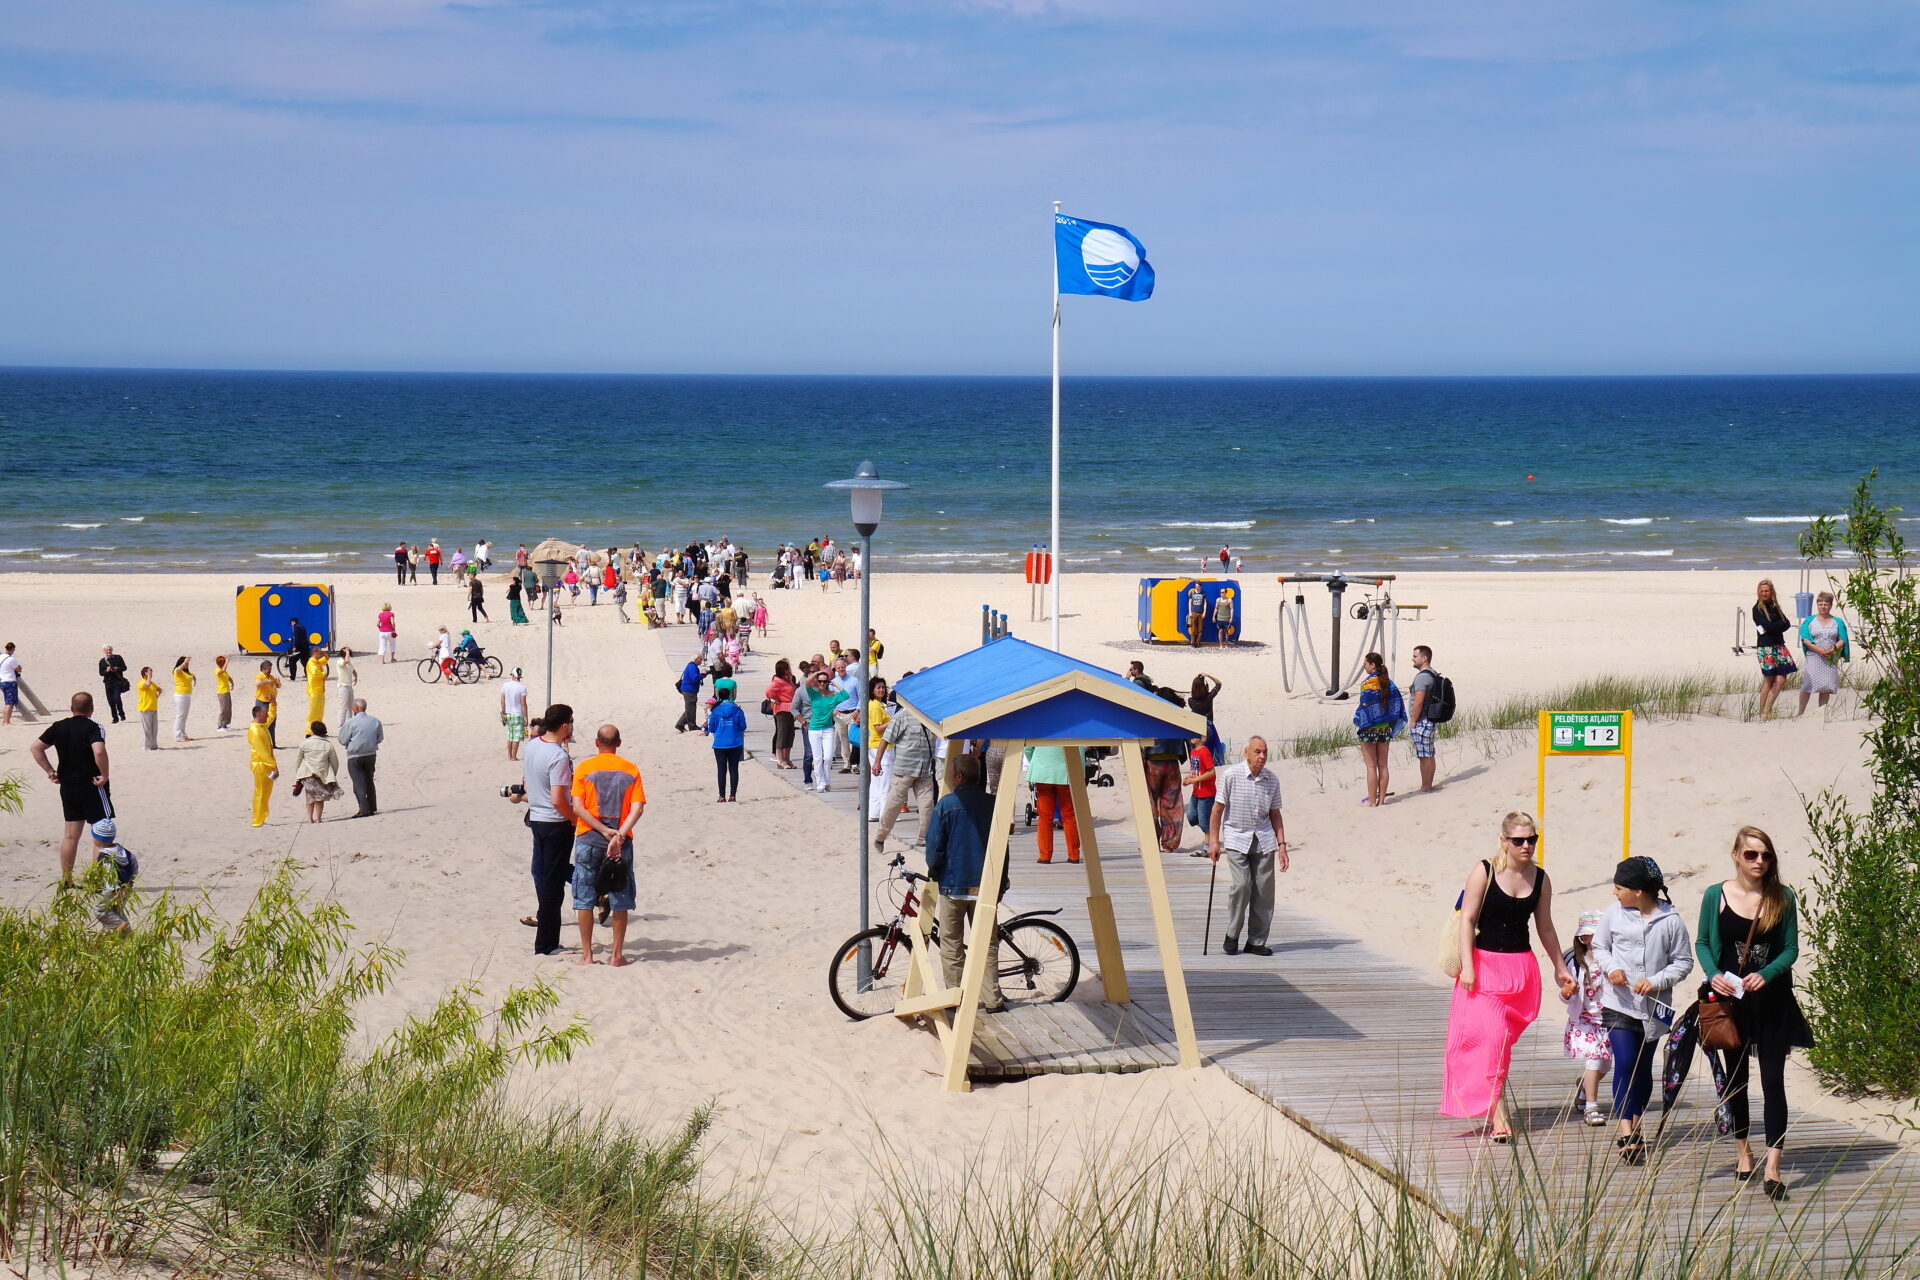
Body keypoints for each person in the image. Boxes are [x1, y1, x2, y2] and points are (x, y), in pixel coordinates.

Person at [1440, 811, 1576, 1142]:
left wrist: (1560, 967)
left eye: (1532, 839)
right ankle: (1499, 1116)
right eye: (1519, 840)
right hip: (1483, 969)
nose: (1526, 845)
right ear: (1504, 841)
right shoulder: (1484, 871)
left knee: (1500, 1045)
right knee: (1493, 1041)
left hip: (1520, 972)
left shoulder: (1541, 879)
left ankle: (1493, 1103)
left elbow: (1544, 926)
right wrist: (1469, 965)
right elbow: (1468, 919)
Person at [1696, 826, 1812, 1201]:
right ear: (1736, 855)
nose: (1759, 861)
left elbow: (1790, 949)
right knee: (1736, 1080)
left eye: (1765, 855)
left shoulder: (1782, 897)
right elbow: (1702, 943)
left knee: (1774, 1080)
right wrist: (1713, 974)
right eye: (1751, 854)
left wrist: (1767, 973)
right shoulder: (1716, 895)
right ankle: (1743, 1151)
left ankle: (1773, 1166)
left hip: (1772, 1001)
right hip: (1730, 1002)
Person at [1591, 856, 1693, 1163]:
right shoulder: (1614, 913)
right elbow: (1599, 947)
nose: (1614, 892)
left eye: (1619, 887)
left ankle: (1636, 1121)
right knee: (1624, 1061)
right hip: (1618, 1002)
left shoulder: (1671, 921)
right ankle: (1626, 1130)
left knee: (1643, 1066)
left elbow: (1683, 962)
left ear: (1638, 891)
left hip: (1653, 1008)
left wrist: (1657, 980)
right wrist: (1611, 969)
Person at [922, 754, 1006, 1012]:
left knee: (951, 945)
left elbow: (934, 847)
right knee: (988, 945)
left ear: (958, 777)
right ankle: (992, 999)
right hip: (984, 885)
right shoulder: (993, 804)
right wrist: (1001, 882)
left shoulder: (946, 805)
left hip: (954, 884)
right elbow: (1003, 847)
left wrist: (935, 871)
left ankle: (956, 998)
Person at [568, 724, 647, 965]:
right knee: (619, 894)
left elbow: (578, 807)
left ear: (596, 743)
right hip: (620, 842)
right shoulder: (630, 769)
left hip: (589, 838)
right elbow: (638, 807)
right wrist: (619, 834)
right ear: (619, 743)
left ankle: (587, 954)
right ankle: (617, 954)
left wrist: (602, 829)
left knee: (584, 896)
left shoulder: (584, 768)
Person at [1206, 737, 1287, 955]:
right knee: (1242, 885)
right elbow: (1217, 810)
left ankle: (1256, 942)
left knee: (1264, 892)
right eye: (1257, 752)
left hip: (1264, 839)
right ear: (1246, 753)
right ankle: (1232, 935)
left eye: (1265, 752)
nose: (1261, 757)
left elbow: (1275, 814)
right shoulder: (1231, 775)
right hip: (1236, 837)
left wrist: (1282, 846)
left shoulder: (1272, 779)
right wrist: (1213, 842)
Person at [28, 691, 110, 883]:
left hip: (68, 786)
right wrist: (104, 775)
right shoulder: (93, 727)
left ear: (71, 708)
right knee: (101, 835)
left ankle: (67, 879)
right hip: (92, 785)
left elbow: (36, 748)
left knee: (71, 836)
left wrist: (50, 771)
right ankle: (95, 880)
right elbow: (99, 751)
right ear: (91, 709)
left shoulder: (59, 727)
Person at [521, 703, 578, 957]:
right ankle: (547, 944)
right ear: (565, 725)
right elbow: (558, 798)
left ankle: (546, 941)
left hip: (537, 819)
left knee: (545, 878)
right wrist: (574, 819)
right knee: (552, 886)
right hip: (555, 822)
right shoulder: (558, 756)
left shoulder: (532, 745)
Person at [1563, 910, 1612, 1128]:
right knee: (1594, 1061)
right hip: (1585, 1020)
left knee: (1604, 1066)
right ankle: (1592, 1107)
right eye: (1593, 935)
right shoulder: (1576, 961)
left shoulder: (1610, 958)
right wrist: (1566, 993)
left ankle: (1584, 1088)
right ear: (1583, 938)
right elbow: (1566, 990)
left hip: (1608, 1019)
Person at [1352, 651, 1404, 807]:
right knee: (1383, 765)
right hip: (1384, 729)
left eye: (1366, 664)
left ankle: (1372, 802)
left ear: (1372, 665)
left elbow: (1364, 707)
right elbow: (1396, 703)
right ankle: (1382, 800)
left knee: (1370, 766)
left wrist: (1360, 720)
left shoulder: (1367, 684)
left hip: (1369, 729)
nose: (1365, 667)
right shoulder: (1389, 683)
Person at [1142, 690, 1187, 853]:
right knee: (1172, 803)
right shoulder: (1177, 714)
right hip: (1172, 761)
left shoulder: (1152, 712)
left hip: (1153, 762)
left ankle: (1151, 841)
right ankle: (1170, 842)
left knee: (1150, 802)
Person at [1023, 745, 1081, 864]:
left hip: (1043, 771)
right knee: (1069, 816)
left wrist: (1036, 762)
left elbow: (1028, 748)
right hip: (1066, 771)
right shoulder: (1071, 727)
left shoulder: (1041, 726)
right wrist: (1080, 773)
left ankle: (1045, 855)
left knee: (1044, 816)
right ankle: (1074, 854)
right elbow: (1079, 750)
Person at [1796, 591, 1850, 714]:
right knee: (1807, 685)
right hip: (1814, 656)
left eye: (1826, 604)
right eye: (1820, 604)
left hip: (1831, 657)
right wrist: (1819, 650)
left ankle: (1822, 712)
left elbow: (1842, 639)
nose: (1823, 606)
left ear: (1831, 605)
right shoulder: (1810, 620)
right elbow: (1805, 639)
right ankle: (1800, 712)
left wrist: (1832, 650)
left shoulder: (1838, 622)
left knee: (1825, 686)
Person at [1751, 579, 1797, 718]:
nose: (1764, 593)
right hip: (1766, 647)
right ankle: (1762, 712)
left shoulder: (1775, 606)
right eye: (1762, 591)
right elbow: (1769, 627)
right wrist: (1777, 626)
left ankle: (1767, 709)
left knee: (1781, 679)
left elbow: (1787, 624)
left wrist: (1775, 626)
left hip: (1779, 645)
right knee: (1769, 679)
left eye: (1767, 591)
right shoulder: (1757, 609)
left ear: (1771, 592)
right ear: (1759, 593)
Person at [88, 817, 138, 932]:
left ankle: (120, 924)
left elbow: (109, 874)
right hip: (127, 887)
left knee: (100, 910)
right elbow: (134, 865)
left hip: (112, 889)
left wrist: (115, 888)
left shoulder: (105, 857)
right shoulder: (124, 852)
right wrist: (130, 882)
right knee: (117, 910)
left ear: (98, 840)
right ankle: (127, 934)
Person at [803, 669, 847, 792]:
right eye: (820, 681)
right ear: (817, 682)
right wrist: (817, 673)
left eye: (824, 681)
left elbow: (845, 695)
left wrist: (835, 684)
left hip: (828, 729)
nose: (822, 684)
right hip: (814, 729)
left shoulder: (833, 695)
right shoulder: (813, 694)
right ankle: (820, 782)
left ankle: (827, 781)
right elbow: (807, 682)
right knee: (817, 758)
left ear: (827, 682)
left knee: (827, 757)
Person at [338, 698, 383, 818]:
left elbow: (342, 739)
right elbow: (380, 738)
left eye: (353, 707)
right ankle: (372, 807)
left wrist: (350, 743)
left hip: (355, 756)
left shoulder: (351, 722)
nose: (352, 709)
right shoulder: (375, 721)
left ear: (357, 708)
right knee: (369, 781)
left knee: (358, 783)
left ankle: (364, 809)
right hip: (370, 754)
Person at [1407, 645, 1441, 794]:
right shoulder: (1433, 674)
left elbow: (1418, 701)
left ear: (1424, 658)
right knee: (1429, 753)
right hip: (1430, 718)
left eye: (1415, 656)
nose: (1412, 659)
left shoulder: (1422, 677)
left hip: (1423, 720)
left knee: (1424, 755)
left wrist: (1413, 720)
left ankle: (1426, 786)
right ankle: (1428, 784)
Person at [293, 720, 342, 823]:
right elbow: (335, 762)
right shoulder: (328, 745)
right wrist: (333, 774)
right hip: (323, 774)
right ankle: (319, 819)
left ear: (312, 731)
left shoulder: (305, 743)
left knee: (309, 796)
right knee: (320, 797)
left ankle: (310, 819)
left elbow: (298, 759)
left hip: (307, 773)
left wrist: (298, 774)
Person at [705, 688, 747, 802]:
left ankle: (722, 796)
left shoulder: (715, 711)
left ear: (719, 696)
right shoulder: (737, 710)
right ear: (730, 696)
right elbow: (743, 726)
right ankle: (732, 796)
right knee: (734, 768)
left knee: (721, 769)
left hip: (720, 744)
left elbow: (712, 728)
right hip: (735, 742)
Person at [1183, 730, 1217, 856]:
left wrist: (1194, 780)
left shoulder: (1204, 751)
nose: (1192, 736)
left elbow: (1211, 772)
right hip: (1196, 792)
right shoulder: (1193, 751)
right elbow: (1195, 769)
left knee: (1204, 821)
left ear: (1203, 737)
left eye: (1196, 734)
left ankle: (1207, 847)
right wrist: (1188, 777)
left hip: (1206, 793)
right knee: (1191, 817)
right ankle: (1209, 831)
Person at [246, 703, 278, 827]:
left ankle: (262, 818)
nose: (267, 716)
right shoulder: (255, 730)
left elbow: (271, 716)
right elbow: (262, 752)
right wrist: (273, 766)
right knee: (260, 793)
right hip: (260, 765)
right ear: (259, 714)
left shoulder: (262, 725)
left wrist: (273, 703)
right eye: (264, 714)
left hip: (267, 765)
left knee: (266, 793)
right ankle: (257, 820)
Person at [765, 659, 798, 768]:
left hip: (791, 709)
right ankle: (781, 760)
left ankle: (787, 759)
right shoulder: (777, 681)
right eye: (787, 668)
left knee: (790, 735)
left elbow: (794, 691)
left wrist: (790, 681)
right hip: (782, 709)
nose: (789, 669)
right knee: (782, 734)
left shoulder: (787, 680)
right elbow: (768, 691)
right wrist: (775, 699)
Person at [1188, 672, 1224, 763]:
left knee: (1198, 752)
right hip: (1209, 726)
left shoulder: (1191, 701)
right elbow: (1219, 684)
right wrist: (1208, 675)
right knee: (1212, 752)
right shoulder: (1209, 697)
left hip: (1197, 727)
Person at [501, 668, 529, 760]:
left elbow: (502, 700)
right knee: (516, 737)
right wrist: (526, 717)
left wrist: (503, 712)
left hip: (508, 713)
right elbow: (523, 703)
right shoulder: (522, 687)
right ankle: (514, 756)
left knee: (510, 735)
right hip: (518, 713)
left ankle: (509, 756)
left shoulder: (505, 685)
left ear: (512, 675)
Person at [98, 645, 130, 723]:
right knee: (110, 701)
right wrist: (107, 671)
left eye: (109, 650)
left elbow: (124, 667)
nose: (108, 651)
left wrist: (117, 668)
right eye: (106, 650)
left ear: (112, 650)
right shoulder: (102, 661)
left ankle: (122, 714)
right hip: (108, 683)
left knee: (117, 698)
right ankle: (115, 718)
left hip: (117, 682)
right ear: (104, 651)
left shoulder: (118, 658)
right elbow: (101, 673)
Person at [253, 660, 280, 748]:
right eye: (268, 669)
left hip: (271, 702)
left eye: (270, 669)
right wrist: (268, 682)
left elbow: (277, 686)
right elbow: (257, 683)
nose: (269, 671)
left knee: (272, 723)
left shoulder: (271, 677)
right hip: (262, 702)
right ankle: (263, 744)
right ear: (263, 669)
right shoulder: (259, 676)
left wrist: (278, 684)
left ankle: (272, 744)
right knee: (263, 724)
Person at [674, 656, 704, 733]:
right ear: (696, 659)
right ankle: (692, 726)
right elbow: (694, 678)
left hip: (689, 689)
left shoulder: (692, 666)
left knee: (690, 708)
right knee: (691, 708)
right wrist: (703, 674)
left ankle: (680, 724)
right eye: (700, 659)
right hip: (689, 689)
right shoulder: (692, 666)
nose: (702, 660)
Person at [134, 667, 161, 751]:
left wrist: (157, 695)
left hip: (153, 708)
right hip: (145, 708)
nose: (151, 674)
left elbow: (159, 689)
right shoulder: (141, 682)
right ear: (145, 673)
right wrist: (149, 676)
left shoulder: (152, 683)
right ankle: (146, 746)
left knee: (154, 729)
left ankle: (154, 746)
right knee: (147, 729)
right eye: (149, 672)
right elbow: (147, 684)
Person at [170, 656, 195, 742]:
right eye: (186, 664)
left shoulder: (185, 672)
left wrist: (194, 677)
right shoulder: (177, 671)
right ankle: (177, 735)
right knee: (180, 716)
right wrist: (185, 661)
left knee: (184, 716)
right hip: (180, 695)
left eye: (188, 664)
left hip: (187, 695)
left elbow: (190, 676)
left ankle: (183, 734)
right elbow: (178, 670)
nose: (187, 665)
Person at [304, 647, 329, 732]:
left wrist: (325, 658)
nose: (321, 654)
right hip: (314, 691)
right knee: (313, 713)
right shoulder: (311, 663)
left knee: (319, 712)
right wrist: (324, 674)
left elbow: (322, 661)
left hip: (320, 691)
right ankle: (309, 731)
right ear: (315, 653)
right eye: (320, 653)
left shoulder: (316, 662)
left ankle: (318, 730)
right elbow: (316, 674)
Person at [334, 647, 358, 725]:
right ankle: (340, 724)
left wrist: (356, 677)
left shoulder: (348, 663)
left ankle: (349, 723)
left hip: (349, 686)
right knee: (343, 707)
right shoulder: (340, 661)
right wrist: (347, 652)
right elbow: (346, 661)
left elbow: (353, 671)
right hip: (342, 686)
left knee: (350, 707)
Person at [212, 654, 234, 731]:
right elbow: (222, 671)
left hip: (227, 691)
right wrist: (227, 662)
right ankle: (220, 725)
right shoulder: (217, 670)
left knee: (228, 708)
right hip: (222, 692)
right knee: (223, 709)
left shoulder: (224, 670)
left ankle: (225, 725)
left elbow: (227, 676)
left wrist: (232, 682)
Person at [1185, 580, 1206, 646]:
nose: (1197, 587)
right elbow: (1189, 602)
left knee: (1200, 628)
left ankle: (1198, 642)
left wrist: (1204, 612)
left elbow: (1205, 603)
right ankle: (1193, 643)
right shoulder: (1192, 593)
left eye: (1198, 586)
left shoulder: (1203, 593)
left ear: (1200, 587)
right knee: (1193, 628)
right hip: (1193, 612)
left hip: (1200, 612)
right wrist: (1190, 612)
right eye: (1196, 586)